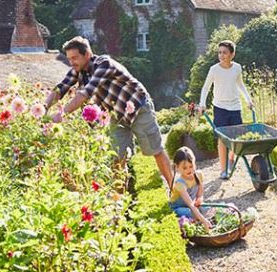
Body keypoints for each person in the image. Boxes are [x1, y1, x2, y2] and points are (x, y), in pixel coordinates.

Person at [44, 36, 173, 186]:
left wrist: (62, 114)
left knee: (154, 149)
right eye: (69, 59)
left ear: (87, 54)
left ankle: (175, 190)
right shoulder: (78, 70)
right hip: (116, 115)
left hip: (138, 108)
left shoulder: (104, 64)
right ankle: (120, 202)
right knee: (117, 158)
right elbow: (60, 88)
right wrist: (44, 108)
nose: (71, 62)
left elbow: (85, 94)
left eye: (75, 58)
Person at [198, 40, 254, 179]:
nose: (221, 55)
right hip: (220, 107)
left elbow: (240, 85)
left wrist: (248, 100)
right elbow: (206, 88)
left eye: (225, 52)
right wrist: (202, 104)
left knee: (235, 137)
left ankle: (230, 160)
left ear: (232, 54)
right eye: (220, 52)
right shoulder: (214, 69)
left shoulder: (237, 68)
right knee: (223, 139)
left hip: (235, 107)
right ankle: (223, 170)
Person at [168, 147, 212, 231]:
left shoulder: (199, 175)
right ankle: (194, 222)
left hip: (190, 205)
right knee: (191, 213)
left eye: (191, 166)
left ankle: (198, 220)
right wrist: (204, 221)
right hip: (178, 207)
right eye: (184, 168)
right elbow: (190, 205)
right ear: (177, 167)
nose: (189, 170)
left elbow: (200, 194)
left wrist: (199, 199)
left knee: (207, 208)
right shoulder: (180, 183)